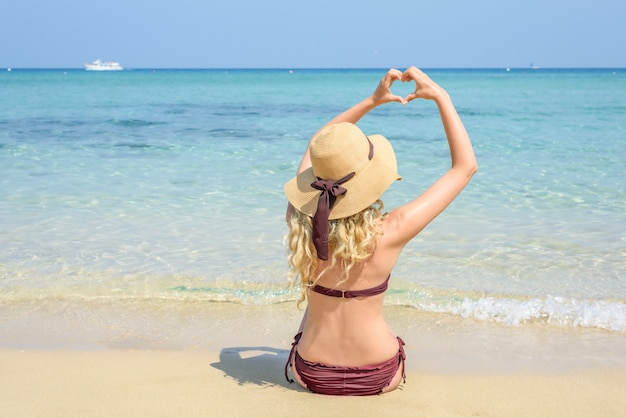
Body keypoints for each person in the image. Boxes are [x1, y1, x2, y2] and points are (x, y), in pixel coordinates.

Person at [283, 67, 477, 396]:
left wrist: (371, 101)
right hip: (378, 374)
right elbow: (465, 166)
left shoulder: (299, 217)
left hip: (310, 374)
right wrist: (440, 96)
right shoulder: (391, 230)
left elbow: (319, 143)